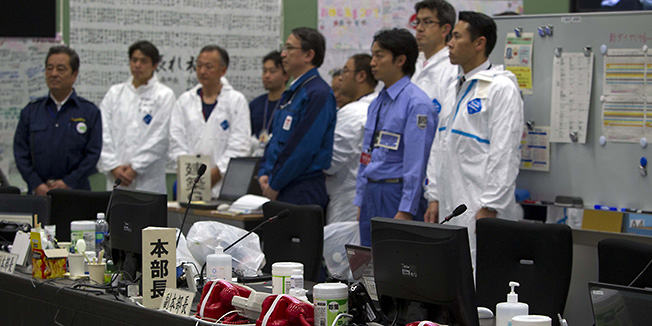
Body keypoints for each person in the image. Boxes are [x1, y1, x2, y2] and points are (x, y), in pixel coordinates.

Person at [424, 11, 524, 265]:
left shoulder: (501, 87)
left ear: (479, 43)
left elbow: (506, 151)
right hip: (450, 205)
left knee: (480, 275)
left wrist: (490, 206)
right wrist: (433, 195)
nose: (449, 43)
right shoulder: (455, 87)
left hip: (480, 208)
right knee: (451, 276)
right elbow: (439, 146)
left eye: (457, 36)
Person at [354, 29, 438, 246]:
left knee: (397, 264)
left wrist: (406, 208)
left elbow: (416, 162)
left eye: (379, 56)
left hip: (396, 192)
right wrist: (360, 198)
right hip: (372, 191)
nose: (372, 62)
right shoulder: (376, 102)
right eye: (373, 55)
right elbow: (367, 152)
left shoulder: (417, 103)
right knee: (369, 262)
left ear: (400, 60)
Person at [257, 27, 337, 211]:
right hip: (279, 184)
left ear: (308, 55)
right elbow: (276, 139)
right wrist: (264, 172)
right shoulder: (293, 92)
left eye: (289, 48)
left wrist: (275, 183)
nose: (283, 54)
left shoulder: (318, 93)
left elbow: (303, 148)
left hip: (302, 188)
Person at [13, 46, 102, 195]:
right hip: (38, 193)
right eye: (49, 68)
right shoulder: (31, 111)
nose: (53, 74)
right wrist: (36, 184)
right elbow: (20, 152)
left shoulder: (89, 112)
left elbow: (93, 154)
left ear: (74, 74)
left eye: (60, 69)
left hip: (76, 193)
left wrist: (68, 183)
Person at [170, 45, 251, 197]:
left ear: (223, 70)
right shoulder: (185, 101)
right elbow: (176, 140)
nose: (202, 71)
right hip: (190, 180)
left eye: (208, 67)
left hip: (223, 183)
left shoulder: (236, 101)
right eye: (199, 66)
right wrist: (191, 171)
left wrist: (217, 172)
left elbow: (240, 145)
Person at [98, 40, 175, 194]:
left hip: (148, 179)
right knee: (116, 216)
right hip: (116, 176)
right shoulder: (115, 93)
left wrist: (135, 168)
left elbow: (160, 137)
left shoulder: (164, 95)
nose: (137, 65)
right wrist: (113, 166)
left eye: (143, 61)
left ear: (154, 65)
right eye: (134, 60)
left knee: (147, 216)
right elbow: (102, 131)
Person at [324, 54, 377, 225]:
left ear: (361, 76)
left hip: (346, 198)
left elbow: (330, 163)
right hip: (367, 194)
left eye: (345, 71)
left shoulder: (354, 112)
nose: (341, 77)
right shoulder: (378, 105)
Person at [411, 0, 457, 108]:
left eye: (427, 22)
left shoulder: (453, 67)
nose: (419, 28)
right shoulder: (412, 64)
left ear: (445, 29)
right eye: (417, 22)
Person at [249, 51, 289, 156]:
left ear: (286, 76)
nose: (267, 76)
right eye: (264, 71)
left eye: (272, 71)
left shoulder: (290, 104)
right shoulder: (255, 104)